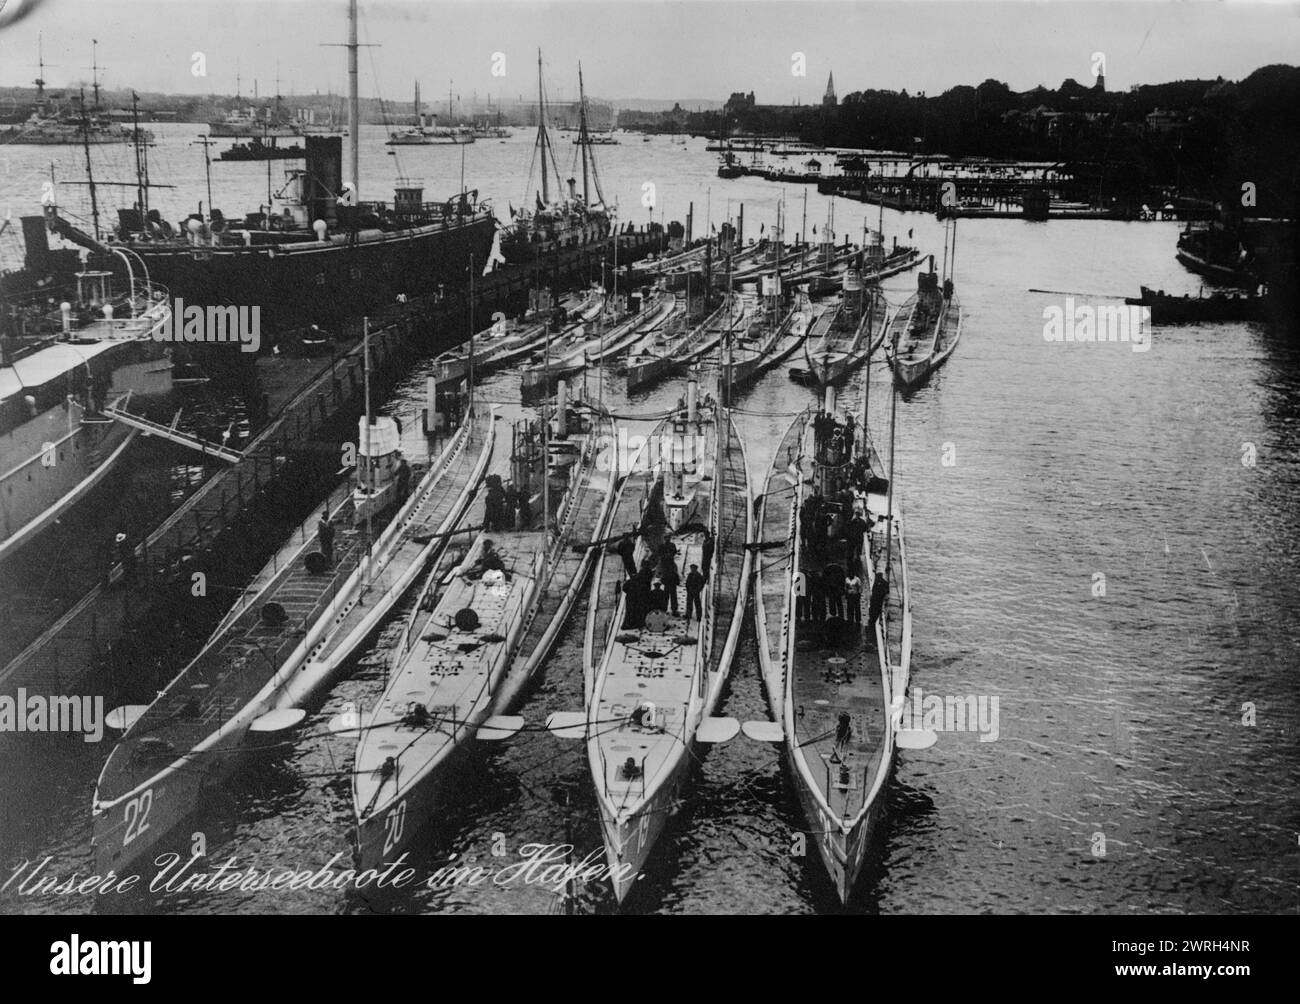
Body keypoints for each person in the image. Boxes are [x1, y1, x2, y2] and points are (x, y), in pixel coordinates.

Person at [867, 561, 890, 635]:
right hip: (877, 600)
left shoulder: (879, 582)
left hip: (877, 599)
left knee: (874, 612)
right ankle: (872, 623)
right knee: (875, 611)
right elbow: (886, 591)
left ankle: (872, 624)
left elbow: (874, 590)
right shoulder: (883, 582)